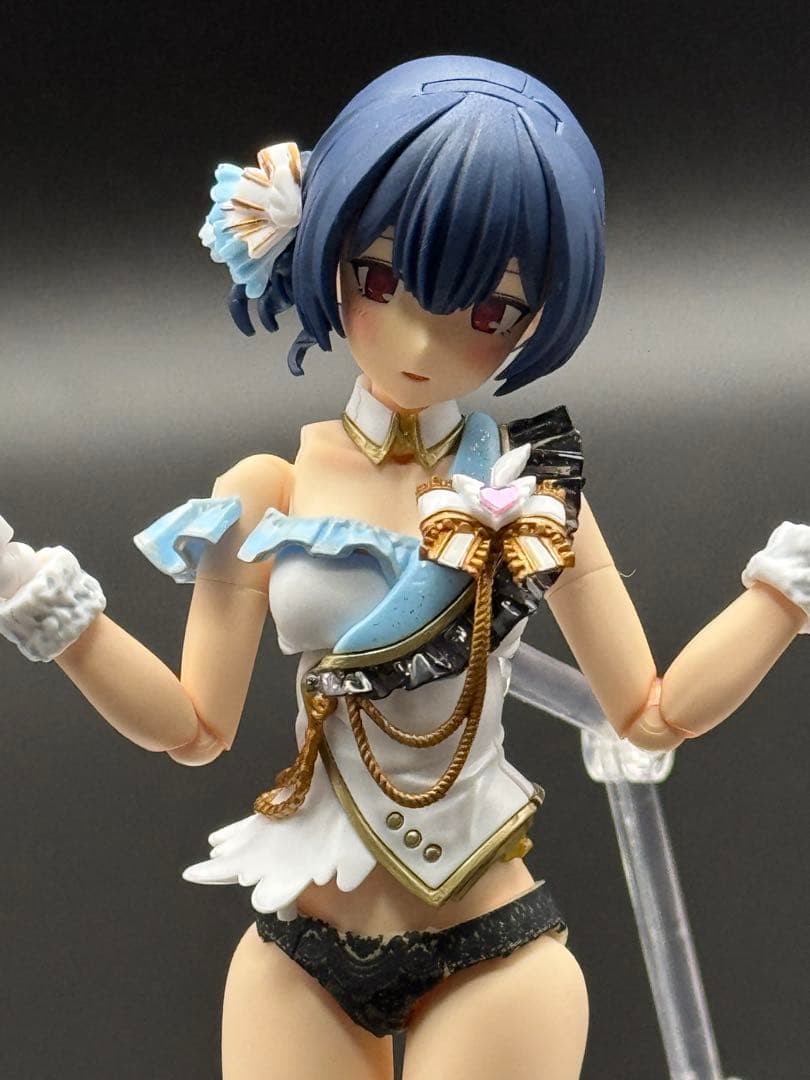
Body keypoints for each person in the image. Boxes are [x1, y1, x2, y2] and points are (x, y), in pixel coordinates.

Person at [0, 56, 807, 1080]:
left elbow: (648, 712)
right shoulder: (270, 488)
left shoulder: (533, 486)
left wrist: (784, 593)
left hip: (490, 945)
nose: (423, 339)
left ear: (537, 317)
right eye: (383, 281)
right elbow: (193, 728)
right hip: (303, 940)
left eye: (489, 312)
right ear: (326, 251)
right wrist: (37, 597)